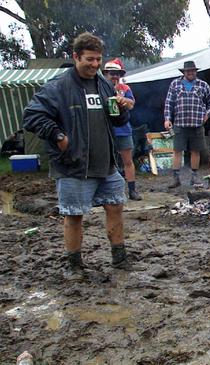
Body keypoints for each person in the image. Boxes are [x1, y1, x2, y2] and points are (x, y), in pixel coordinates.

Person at [23, 32, 134, 280]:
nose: (95, 65)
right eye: (89, 59)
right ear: (76, 57)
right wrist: (58, 136)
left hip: (106, 164)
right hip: (73, 164)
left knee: (115, 206)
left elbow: (116, 120)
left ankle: (120, 258)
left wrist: (123, 109)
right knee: (73, 215)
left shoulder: (104, 84)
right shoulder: (58, 87)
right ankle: (73, 264)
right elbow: (31, 116)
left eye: (98, 60)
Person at [164, 60, 210, 188]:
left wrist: (207, 115)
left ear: (195, 72)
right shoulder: (175, 84)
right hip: (180, 123)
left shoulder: (202, 85)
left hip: (197, 124)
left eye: (193, 71)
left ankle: (194, 177)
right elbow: (168, 103)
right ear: (184, 72)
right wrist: (167, 118)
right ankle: (176, 178)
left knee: (195, 151)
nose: (190, 73)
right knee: (177, 150)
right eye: (188, 71)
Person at [102, 58, 141, 200]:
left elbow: (132, 104)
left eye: (118, 73)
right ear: (106, 74)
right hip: (106, 130)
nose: (115, 76)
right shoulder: (99, 87)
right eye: (112, 73)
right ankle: (109, 191)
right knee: (107, 161)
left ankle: (132, 190)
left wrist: (123, 100)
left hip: (123, 129)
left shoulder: (125, 88)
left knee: (128, 161)